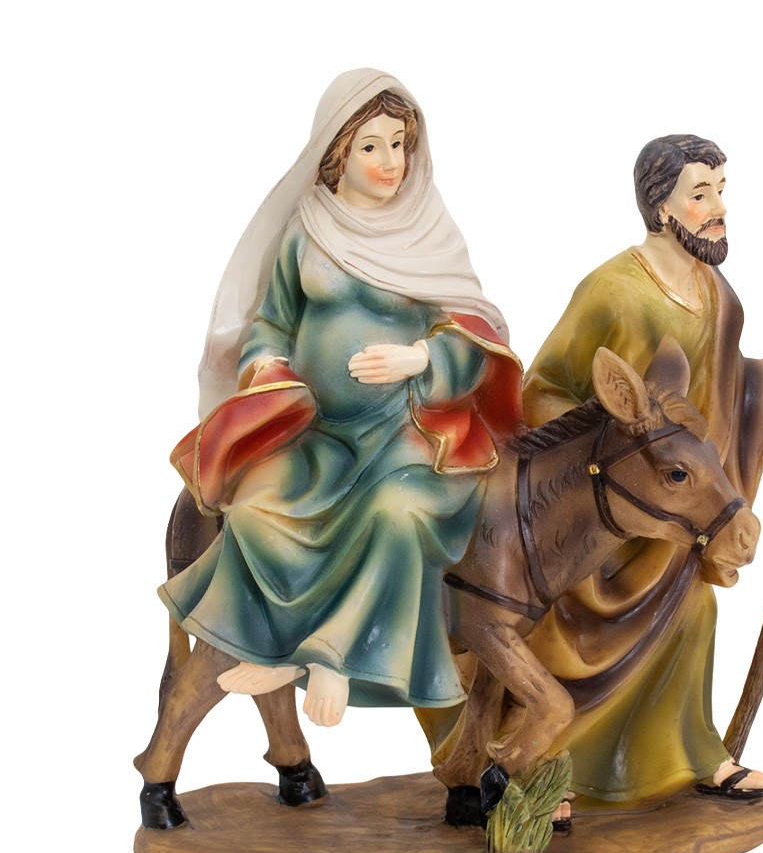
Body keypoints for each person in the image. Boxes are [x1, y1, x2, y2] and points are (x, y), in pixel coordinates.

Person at [159, 69, 521, 729]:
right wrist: (268, 365)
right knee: (257, 508)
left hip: (407, 436)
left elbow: (475, 332)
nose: (391, 161)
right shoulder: (307, 230)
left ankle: (332, 656)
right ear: (337, 154)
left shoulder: (427, 233)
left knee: (397, 513)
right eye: (371, 146)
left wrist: (422, 358)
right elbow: (273, 321)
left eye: (399, 144)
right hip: (320, 435)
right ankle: (277, 649)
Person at [516, 134, 763, 807]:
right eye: (701, 194)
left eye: (721, 190)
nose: (718, 208)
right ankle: (542, 767)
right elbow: (543, 388)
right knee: (567, 628)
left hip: (674, 500)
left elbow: (730, 382)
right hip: (605, 504)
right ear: (660, 207)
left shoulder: (715, 293)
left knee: (693, 608)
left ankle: (692, 753)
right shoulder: (612, 290)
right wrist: (607, 449)